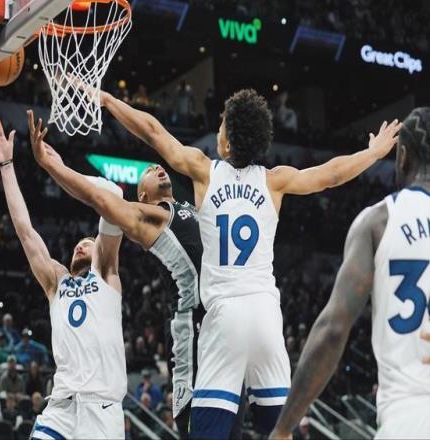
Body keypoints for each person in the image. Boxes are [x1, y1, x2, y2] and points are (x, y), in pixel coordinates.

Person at [93, 88, 401, 438]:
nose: (218, 129)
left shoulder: (204, 171)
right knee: (279, 431)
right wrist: (373, 153)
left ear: (227, 141)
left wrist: (110, 101)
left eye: (221, 125)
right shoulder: (275, 180)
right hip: (266, 316)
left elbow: (152, 131)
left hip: (225, 316)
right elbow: (330, 175)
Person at [27, 109, 236, 439]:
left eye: (157, 167)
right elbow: (100, 197)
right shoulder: (152, 217)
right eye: (149, 172)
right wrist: (54, 165)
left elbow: (155, 130)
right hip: (195, 331)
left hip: (225, 330)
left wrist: (108, 99)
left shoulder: (194, 206)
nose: (157, 167)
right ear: (143, 197)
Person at [269, 107, 430, 439]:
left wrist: (283, 428)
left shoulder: (379, 221)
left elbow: (332, 330)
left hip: (407, 418)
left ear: (402, 157)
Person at [0, 118, 126, 439]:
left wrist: (55, 166)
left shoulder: (106, 274)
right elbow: (24, 230)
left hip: (101, 406)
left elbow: (114, 194)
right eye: (77, 244)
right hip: (61, 405)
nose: (80, 245)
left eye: (88, 241)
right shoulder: (56, 282)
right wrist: (6, 165)